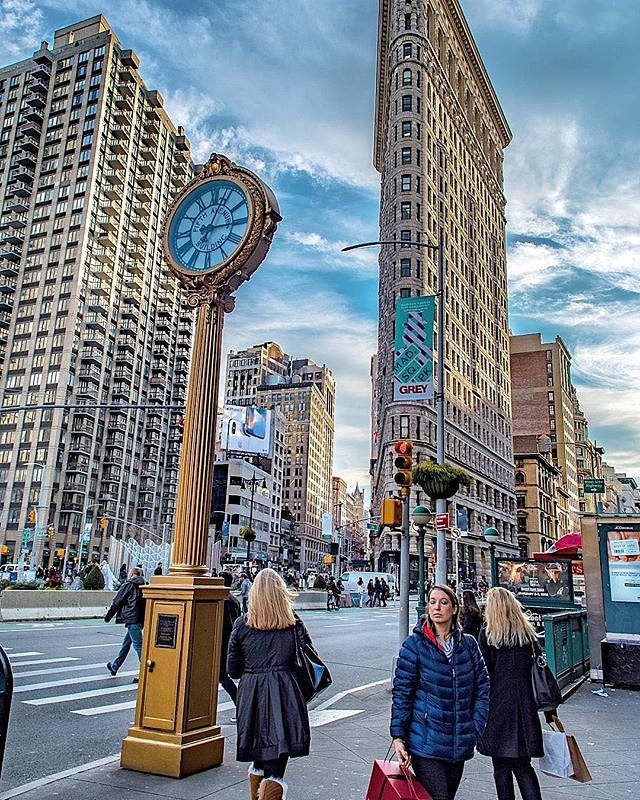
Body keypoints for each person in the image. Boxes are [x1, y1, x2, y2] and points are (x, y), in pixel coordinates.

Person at [391, 584, 490, 800]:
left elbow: (482, 687)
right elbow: (402, 694)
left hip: (459, 742)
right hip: (425, 742)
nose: (437, 607)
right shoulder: (414, 645)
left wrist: (476, 726)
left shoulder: (468, 645)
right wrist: (398, 736)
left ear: (454, 609)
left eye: (443, 602)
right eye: (432, 602)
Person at [227, 568, 317, 800]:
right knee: (276, 766)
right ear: (281, 593)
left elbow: (232, 669)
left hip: (251, 694)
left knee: (258, 758)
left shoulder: (241, 625)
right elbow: (309, 658)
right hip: (285, 693)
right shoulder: (293, 623)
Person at [477, 587, 549, 800]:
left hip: (497, 707)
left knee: (500, 768)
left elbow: (484, 673)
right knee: (523, 766)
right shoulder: (526, 634)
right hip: (524, 707)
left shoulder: (489, 634)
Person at [104, 566, 146, 682]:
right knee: (126, 644)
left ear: (132, 574)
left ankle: (146, 674)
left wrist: (109, 616)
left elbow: (118, 600)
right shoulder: (145, 586)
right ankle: (115, 666)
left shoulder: (128, 585)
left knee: (138, 647)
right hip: (139, 619)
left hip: (131, 619)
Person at [220, 570, 241, 722]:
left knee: (222, 677)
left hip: (221, 642)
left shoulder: (221, 599)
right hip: (231, 641)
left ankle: (241, 706)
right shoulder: (234, 600)